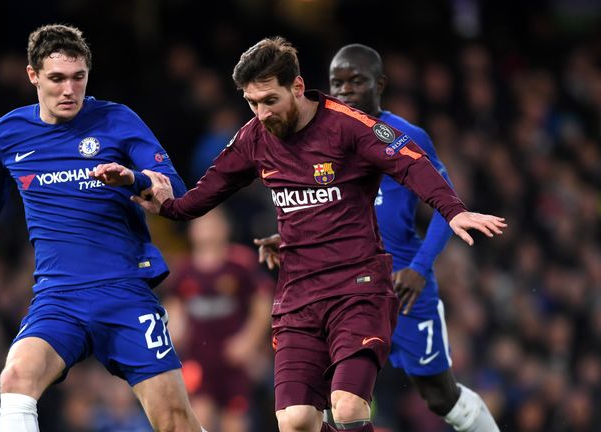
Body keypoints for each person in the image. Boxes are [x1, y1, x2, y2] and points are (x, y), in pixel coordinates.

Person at [94, 36, 506, 432]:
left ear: (297, 86)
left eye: (270, 100)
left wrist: (453, 211)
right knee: (295, 421)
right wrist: (152, 196)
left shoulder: (348, 126)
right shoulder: (254, 137)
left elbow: (412, 163)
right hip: (299, 297)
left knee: (353, 405)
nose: (262, 113)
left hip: (357, 287)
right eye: (252, 103)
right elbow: (199, 198)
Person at [0, 24, 204, 432]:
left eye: (78, 77)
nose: (69, 89)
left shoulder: (117, 120)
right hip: (58, 298)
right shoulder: (8, 134)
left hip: (124, 293)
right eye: (56, 78)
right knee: (15, 378)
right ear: (32, 75)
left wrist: (133, 180)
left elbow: (174, 189)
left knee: (174, 421)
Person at [254, 44, 501, 432]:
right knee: (329, 403)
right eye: (338, 82)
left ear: (380, 84)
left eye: (357, 81)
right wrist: (284, 236)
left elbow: (444, 204)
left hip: (406, 289)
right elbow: (320, 206)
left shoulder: (404, 135)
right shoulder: (320, 135)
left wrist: (419, 269)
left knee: (439, 396)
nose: (347, 90)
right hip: (345, 291)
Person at [163, 206, 273, 432]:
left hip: (233, 356)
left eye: (213, 222)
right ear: (192, 230)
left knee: (236, 419)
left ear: (225, 228)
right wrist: (173, 341)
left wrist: (249, 341)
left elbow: (262, 304)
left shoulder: (241, 263)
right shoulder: (184, 270)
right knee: (200, 413)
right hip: (198, 356)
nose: (207, 229)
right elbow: (174, 310)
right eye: (202, 223)